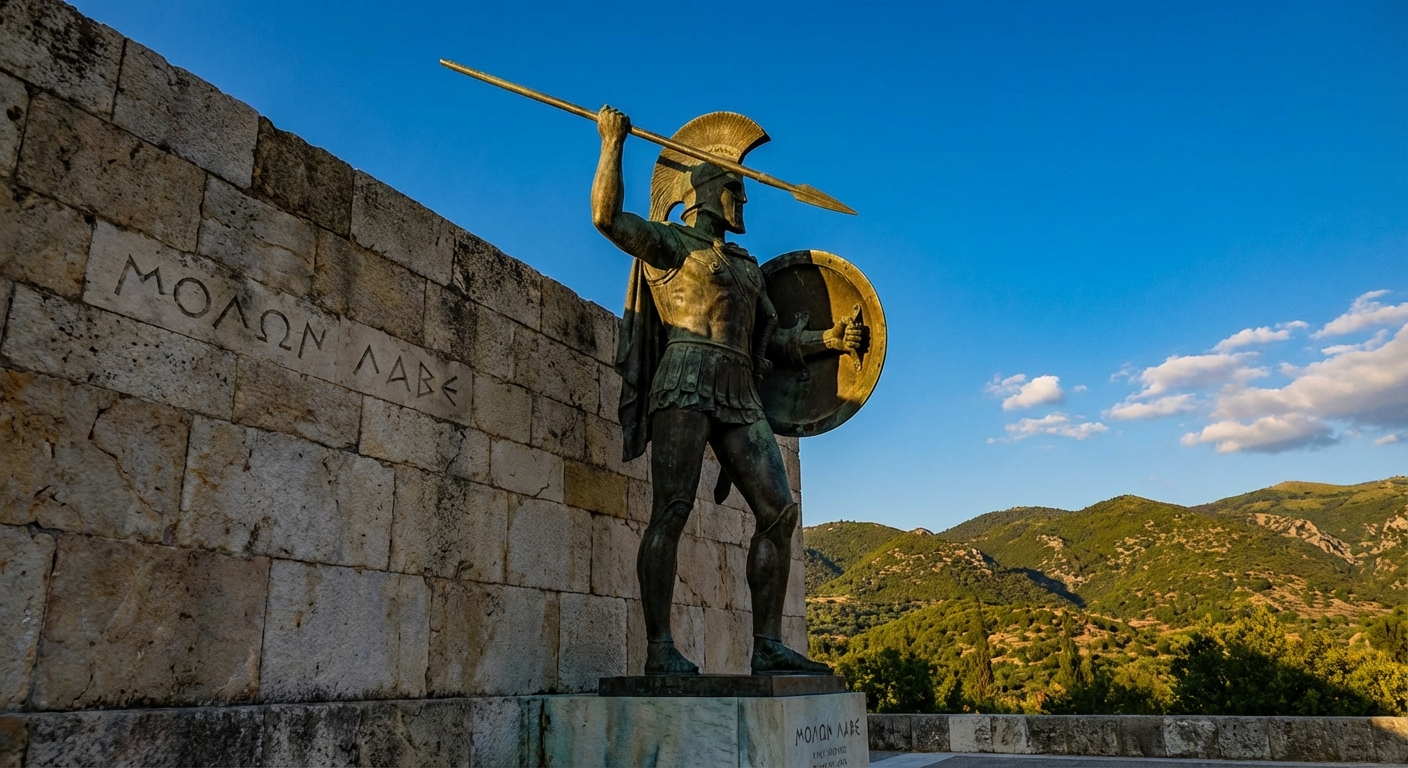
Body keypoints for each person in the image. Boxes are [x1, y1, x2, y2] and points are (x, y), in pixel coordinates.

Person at [591, 105, 863, 675]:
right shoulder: (670, 245)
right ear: (709, 192)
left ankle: (766, 645)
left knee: (778, 511)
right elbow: (607, 219)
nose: (746, 201)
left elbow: (775, 341)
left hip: (739, 387)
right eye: (738, 189)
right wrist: (612, 142)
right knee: (671, 510)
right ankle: (659, 647)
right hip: (685, 380)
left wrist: (832, 339)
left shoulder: (745, 265)